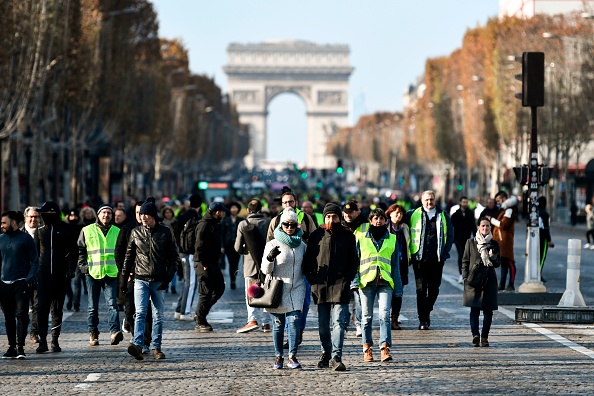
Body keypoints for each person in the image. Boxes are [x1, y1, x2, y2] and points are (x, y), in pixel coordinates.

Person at [303, 203, 358, 371]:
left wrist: (347, 278)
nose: (331, 220)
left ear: (339, 218)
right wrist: (312, 279)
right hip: (321, 285)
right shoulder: (317, 235)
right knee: (323, 325)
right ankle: (325, 352)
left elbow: (353, 261)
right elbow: (308, 261)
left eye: (334, 217)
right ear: (324, 218)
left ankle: (336, 356)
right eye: (328, 217)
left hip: (341, 285)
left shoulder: (348, 236)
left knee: (339, 323)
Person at [124, 198, 180, 360]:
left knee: (158, 316)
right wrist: (124, 278)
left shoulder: (165, 231)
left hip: (158, 280)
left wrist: (168, 277)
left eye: (145, 215)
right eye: (141, 215)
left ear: (153, 216)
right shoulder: (136, 232)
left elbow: (173, 257)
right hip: (140, 278)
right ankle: (138, 345)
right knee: (140, 313)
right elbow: (129, 256)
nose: (142, 218)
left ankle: (156, 347)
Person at [262, 207, 306, 369]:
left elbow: (306, 266)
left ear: (297, 226)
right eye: (286, 225)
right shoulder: (272, 243)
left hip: (297, 287)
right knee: (278, 324)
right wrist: (269, 258)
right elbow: (265, 270)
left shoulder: (302, 244)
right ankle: (278, 356)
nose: (289, 228)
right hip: (278, 288)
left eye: (292, 225)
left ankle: (292, 356)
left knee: (294, 322)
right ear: (281, 226)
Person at [356, 208, 400, 363]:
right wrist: (355, 282)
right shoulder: (361, 237)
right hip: (366, 281)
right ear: (370, 221)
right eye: (375, 218)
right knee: (366, 318)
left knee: (384, 316)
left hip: (385, 282)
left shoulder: (392, 239)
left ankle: (384, 347)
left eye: (381, 218)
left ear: (385, 220)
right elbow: (355, 261)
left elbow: (395, 266)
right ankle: (367, 348)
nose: (378, 221)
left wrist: (398, 288)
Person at [405, 190, 454, 330]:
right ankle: (423, 320)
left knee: (434, 289)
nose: (429, 202)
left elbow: (450, 235)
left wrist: (445, 253)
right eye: (426, 200)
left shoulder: (443, 215)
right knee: (421, 289)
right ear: (422, 201)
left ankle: (427, 311)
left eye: (431, 199)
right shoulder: (412, 214)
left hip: (437, 259)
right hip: (419, 259)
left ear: (435, 200)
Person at [34, 202, 77, 354]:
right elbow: (35, 254)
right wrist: (34, 272)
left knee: (57, 308)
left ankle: (55, 340)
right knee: (41, 308)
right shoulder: (40, 230)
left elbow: (73, 250)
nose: (41, 215)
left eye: (43, 212)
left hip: (61, 274)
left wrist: (71, 269)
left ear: (52, 213)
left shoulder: (66, 229)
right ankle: (43, 341)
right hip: (43, 274)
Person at [78, 205, 124, 346]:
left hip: (111, 272)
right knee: (93, 306)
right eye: (103, 212)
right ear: (98, 214)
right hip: (93, 273)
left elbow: (122, 252)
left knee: (112, 304)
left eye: (109, 213)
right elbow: (81, 250)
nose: (106, 215)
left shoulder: (117, 231)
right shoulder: (87, 230)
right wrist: (84, 267)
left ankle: (114, 332)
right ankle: (93, 333)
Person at [0, 211, 39, 359]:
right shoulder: (1, 239)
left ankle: (20, 347)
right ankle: (11, 347)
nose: (2, 225)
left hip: (21, 283)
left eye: (4, 222)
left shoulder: (26, 239)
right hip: (3, 284)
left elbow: (35, 261)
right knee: (8, 317)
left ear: (13, 223)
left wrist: (28, 279)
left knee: (21, 315)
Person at [462, 217, 501, 347]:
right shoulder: (470, 242)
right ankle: (475, 335)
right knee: (474, 310)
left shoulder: (494, 244)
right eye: (483, 226)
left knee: (488, 311)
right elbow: (465, 261)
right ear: (478, 227)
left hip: (489, 281)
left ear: (491, 228)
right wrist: (465, 278)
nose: (485, 228)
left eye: (488, 226)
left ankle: (484, 337)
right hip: (474, 281)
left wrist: (492, 256)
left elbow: (497, 264)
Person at [235, 199, 271, 333]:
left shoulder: (243, 224)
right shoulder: (268, 222)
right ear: (261, 209)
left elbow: (238, 247)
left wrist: (247, 251)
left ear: (248, 210)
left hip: (250, 264)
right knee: (267, 291)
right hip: (267, 262)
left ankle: (252, 320)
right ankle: (266, 323)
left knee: (251, 292)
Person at [194, 202, 227, 332]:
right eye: (222, 212)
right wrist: (204, 264)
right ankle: (200, 320)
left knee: (219, 288)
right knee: (205, 293)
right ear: (217, 212)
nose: (223, 214)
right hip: (204, 264)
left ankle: (200, 314)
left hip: (212, 263)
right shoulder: (204, 225)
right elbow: (199, 246)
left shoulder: (213, 223)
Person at [342, 200, 368, 337]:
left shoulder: (365, 226)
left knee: (358, 299)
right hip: (343, 268)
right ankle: (343, 324)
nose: (348, 215)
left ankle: (358, 323)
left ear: (357, 212)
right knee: (343, 298)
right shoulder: (339, 225)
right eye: (345, 213)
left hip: (360, 267)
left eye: (350, 212)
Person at [175, 194, 202, 321]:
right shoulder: (196, 217)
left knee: (187, 282)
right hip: (190, 253)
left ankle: (179, 309)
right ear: (200, 205)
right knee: (191, 283)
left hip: (182, 251)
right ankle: (185, 311)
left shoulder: (183, 215)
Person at [485, 191, 518, 291]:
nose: (497, 203)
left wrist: (491, 220)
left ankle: (511, 284)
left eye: (498, 200)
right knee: (504, 262)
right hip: (500, 239)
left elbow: (503, 225)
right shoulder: (503, 210)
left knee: (509, 261)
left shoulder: (509, 210)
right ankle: (502, 283)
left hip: (505, 240)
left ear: (504, 199)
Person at [385, 203, 410, 330]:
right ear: (390, 213)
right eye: (395, 212)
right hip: (388, 265)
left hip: (402, 265)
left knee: (398, 293)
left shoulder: (405, 228)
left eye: (400, 213)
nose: (398, 214)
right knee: (386, 292)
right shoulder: (385, 227)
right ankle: (386, 318)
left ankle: (394, 318)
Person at [21, 206, 42, 345]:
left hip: (39, 274)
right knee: (21, 306)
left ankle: (34, 332)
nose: (33, 219)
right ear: (25, 218)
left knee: (37, 305)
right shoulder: (19, 233)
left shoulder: (43, 233)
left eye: (36, 217)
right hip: (22, 275)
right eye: (31, 217)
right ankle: (21, 333)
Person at [451, 196, 477, 283]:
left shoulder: (470, 213)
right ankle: (460, 275)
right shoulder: (455, 215)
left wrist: (476, 236)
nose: (465, 204)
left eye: (466, 202)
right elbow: (451, 228)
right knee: (461, 255)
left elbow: (473, 226)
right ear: (460, 203)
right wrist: (451, 239)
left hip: (467, 238)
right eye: (463, 202)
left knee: (467, 256)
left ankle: (466, 274)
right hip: (458, 238)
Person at [221, 201, 244, 290]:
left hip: (238, 244)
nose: (234, 210)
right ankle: (232, 280)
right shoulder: (225, 220)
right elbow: (222, 234)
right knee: (231, 263)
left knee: (236, 263)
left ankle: (234, 278)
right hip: (228, 245)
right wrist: (222, 246)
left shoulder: (240, 220)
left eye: (235, 208)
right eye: (232, 208)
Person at [65, 208, 84, 312]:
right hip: (67, 258)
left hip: (78, 257)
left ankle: (76, 303)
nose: (73, 218)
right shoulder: (65, 227)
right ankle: (70, 298)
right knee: (66, 282)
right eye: (71, 216)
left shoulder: (81, 228)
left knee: (77, 282)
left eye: (75, 216)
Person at [161, 205, 179, 294]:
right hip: (164, 248)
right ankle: (166, 284)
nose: (168, 214)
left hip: (174, 247)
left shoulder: (176, 222)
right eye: (166, 212)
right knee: (165, 268)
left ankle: (173, 286)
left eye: (169, 212)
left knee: (174, 267)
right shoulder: (161, 223)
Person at [538, 197, 554, 282]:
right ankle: (538, 274)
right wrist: (549, 240)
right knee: (542, 256)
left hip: (534, 237)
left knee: (535, 257)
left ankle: (536, 274)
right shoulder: (545, 214)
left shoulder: (534, 213)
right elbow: (546, 228)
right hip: (543, 237)